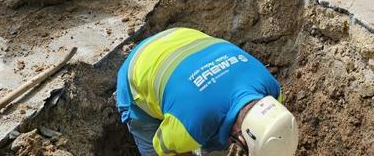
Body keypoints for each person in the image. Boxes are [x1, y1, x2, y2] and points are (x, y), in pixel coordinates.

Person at [116, 28, 298, 156]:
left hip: (183, 36)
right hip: (138, 71)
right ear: (242, 139)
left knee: (212, 138)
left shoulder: (272, 90)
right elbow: (163, 147)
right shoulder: (191, 126)